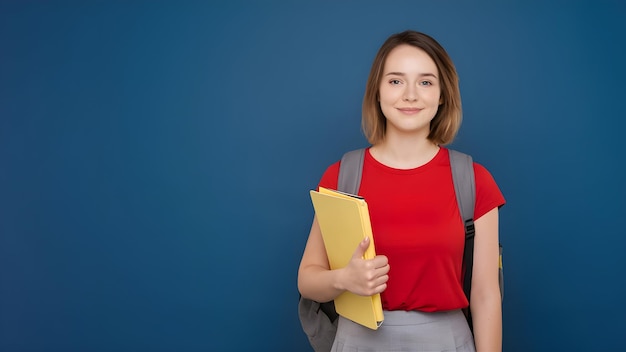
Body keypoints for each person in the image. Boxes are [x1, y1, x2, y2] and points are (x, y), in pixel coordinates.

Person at [297, 30, 505, 352]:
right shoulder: (342, 176)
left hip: (447, 342)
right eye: (395, 81)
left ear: (442, 95)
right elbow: (307, 279)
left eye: (425, 82)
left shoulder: (474, 180)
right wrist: (344, 280)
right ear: (377, 93)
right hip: (357, 340)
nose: (410, 95)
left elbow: (486, 294)